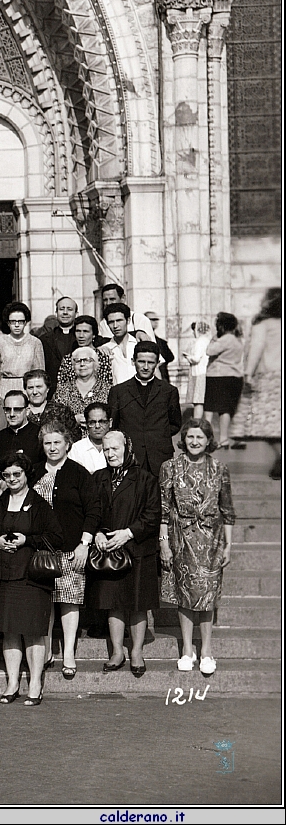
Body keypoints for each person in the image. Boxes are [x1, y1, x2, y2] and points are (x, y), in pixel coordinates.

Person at [0, 451, 63, 704]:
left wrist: (29, 540)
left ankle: (35, 683)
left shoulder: (40, 505)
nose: (12, 478)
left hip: (31, 578)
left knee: (34, 632)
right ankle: (12, 683)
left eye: (17, 474)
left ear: (26, 475)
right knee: (9, 631)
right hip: (1, 577)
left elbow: (56, 537)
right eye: (7, 475)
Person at [160, 417, 236, 677]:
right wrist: (164, 543)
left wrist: (228, 546)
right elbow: (163, 509)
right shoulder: (170, 467)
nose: (194, 442)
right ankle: (187, 650)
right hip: (181, 538)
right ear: (184, 439)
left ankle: (206, 651)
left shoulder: (219, 468)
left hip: (212, 541)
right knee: (185, 596)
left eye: (200, 437)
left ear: (208, 440)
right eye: (190, 437)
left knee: (207, 597)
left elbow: (227, 509)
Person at [86, 431, 161, 678]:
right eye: (106, 450)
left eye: (115, 449)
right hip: (108, 550)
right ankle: (117, 652)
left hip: (137, 549)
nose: (110, 454)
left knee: (138, 604)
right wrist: (96, 532)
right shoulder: (98, 478)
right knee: (113, 603)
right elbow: (91, 511)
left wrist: (128, 533)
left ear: (127, 448)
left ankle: (137, 652)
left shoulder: (146, 479)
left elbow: (152, 515)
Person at [33, 419, 100, 680]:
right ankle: (47, 650)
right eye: (47, 443)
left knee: (69, 601)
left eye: (57, 442)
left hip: (71, 549)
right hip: (41, 550)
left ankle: (69, 653)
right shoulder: (34, 471)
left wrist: (85, 544)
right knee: (44, 602)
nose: (52, 447)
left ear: (67, 444)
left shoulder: (79, 473)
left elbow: (93, 510)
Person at [108, 342, 183, 477]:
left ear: (157, 363)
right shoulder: (118, 391)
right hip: (130, 457)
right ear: (133, 361)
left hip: (160, 456)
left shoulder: (169, 391)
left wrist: (157, 436)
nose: (146, 367)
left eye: (151, 362)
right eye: (141, 362)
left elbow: (175, 424)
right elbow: (114, 425)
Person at [237, 287, 282, 479]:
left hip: (270, 378)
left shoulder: (262, 325)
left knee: (267, 425)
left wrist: (248, 373)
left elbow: (256, 348)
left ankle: (280, 456)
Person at [202, 312, 244, 450]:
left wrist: (214, 338)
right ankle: (224, 438)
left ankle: (207, 438)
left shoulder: (224, 339)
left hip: (217, 376)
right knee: (224, 409)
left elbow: (209, 351)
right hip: (234, 376)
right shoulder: (237, 340)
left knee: (209, 408)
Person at [0, 302, 45, 396]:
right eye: (13, 322)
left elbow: (40, 372)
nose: (17, 325)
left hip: (27, 389)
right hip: (4, 388)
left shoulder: (35, 342)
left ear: (25, 322)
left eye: (20, 321)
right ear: (8, 323)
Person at [0, 390, 44, 472]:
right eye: (8, 409)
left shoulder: (39, 433)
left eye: (17, 409)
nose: (12, 414)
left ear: (27, 411)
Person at [56, 345, 113, 428]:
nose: (82, 364)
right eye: (78, 361)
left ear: (95, 365)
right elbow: (55, 418)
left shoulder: (108, 389)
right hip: (71, 437)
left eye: (87, 360)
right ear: (73, 366)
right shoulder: (62, 389)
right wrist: (73, 420)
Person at [40, 296, 81, 392]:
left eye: (69, 309)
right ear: (56, 313)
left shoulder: (83, 337)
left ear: (76, 314)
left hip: (78, 390)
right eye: (61, 309)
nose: (65, 312)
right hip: (52, 391)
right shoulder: (44, 339)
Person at [69, 402, 111, 473]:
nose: (97, 426)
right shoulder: (76, 449)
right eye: (92, 422)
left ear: (110, 423)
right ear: (86, 424)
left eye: (102, 422)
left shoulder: (117, 448)